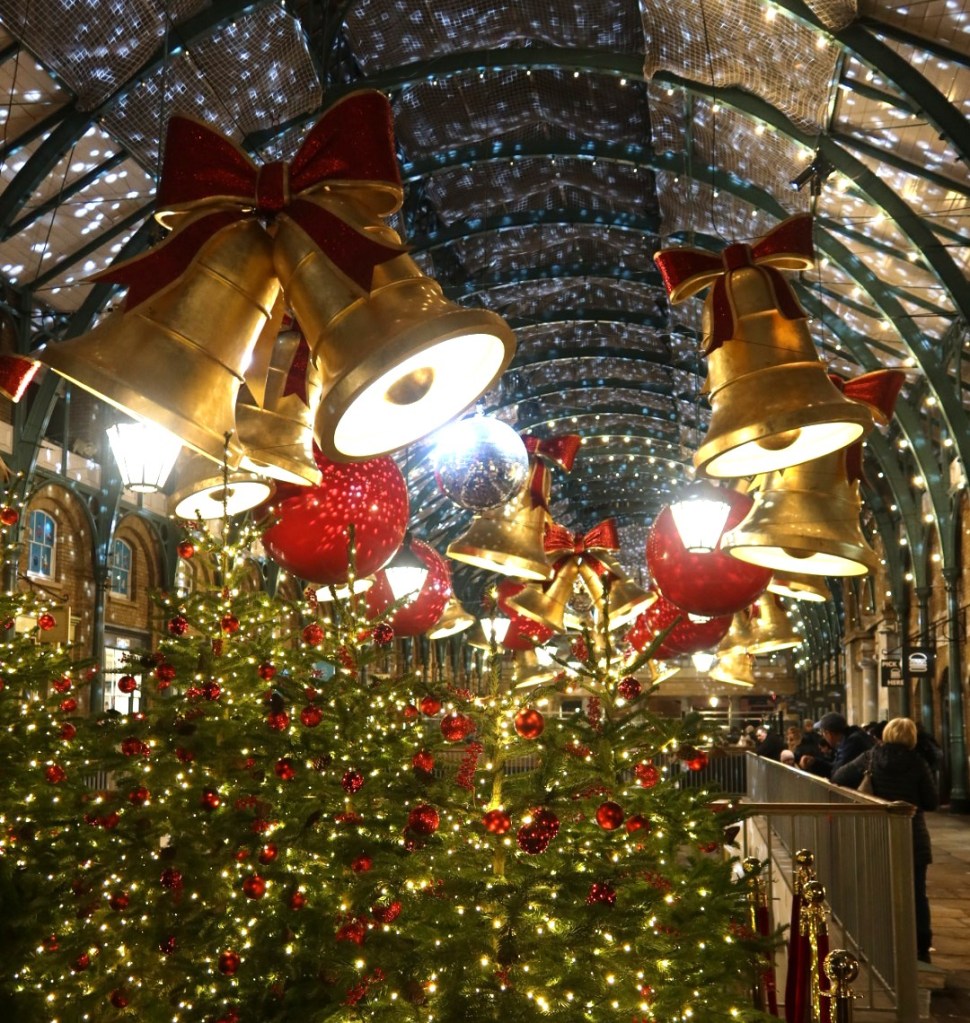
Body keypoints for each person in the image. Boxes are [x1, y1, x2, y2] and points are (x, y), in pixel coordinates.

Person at [832, 717, 938, 962]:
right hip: (913, 836)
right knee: (916, 893)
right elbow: (931, 801)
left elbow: (839, 776)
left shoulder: (870, 757)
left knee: (878, 887)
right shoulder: (919, 762)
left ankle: (880, 942)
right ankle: (921, 948)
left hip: (878, 834)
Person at [798, 712, 874, 778]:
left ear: (829, 734)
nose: (823, 737)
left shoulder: (852, 743)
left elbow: (836, 775)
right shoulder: (850, 739)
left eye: (823, 733)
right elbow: (835, 767)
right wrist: (814, 762)